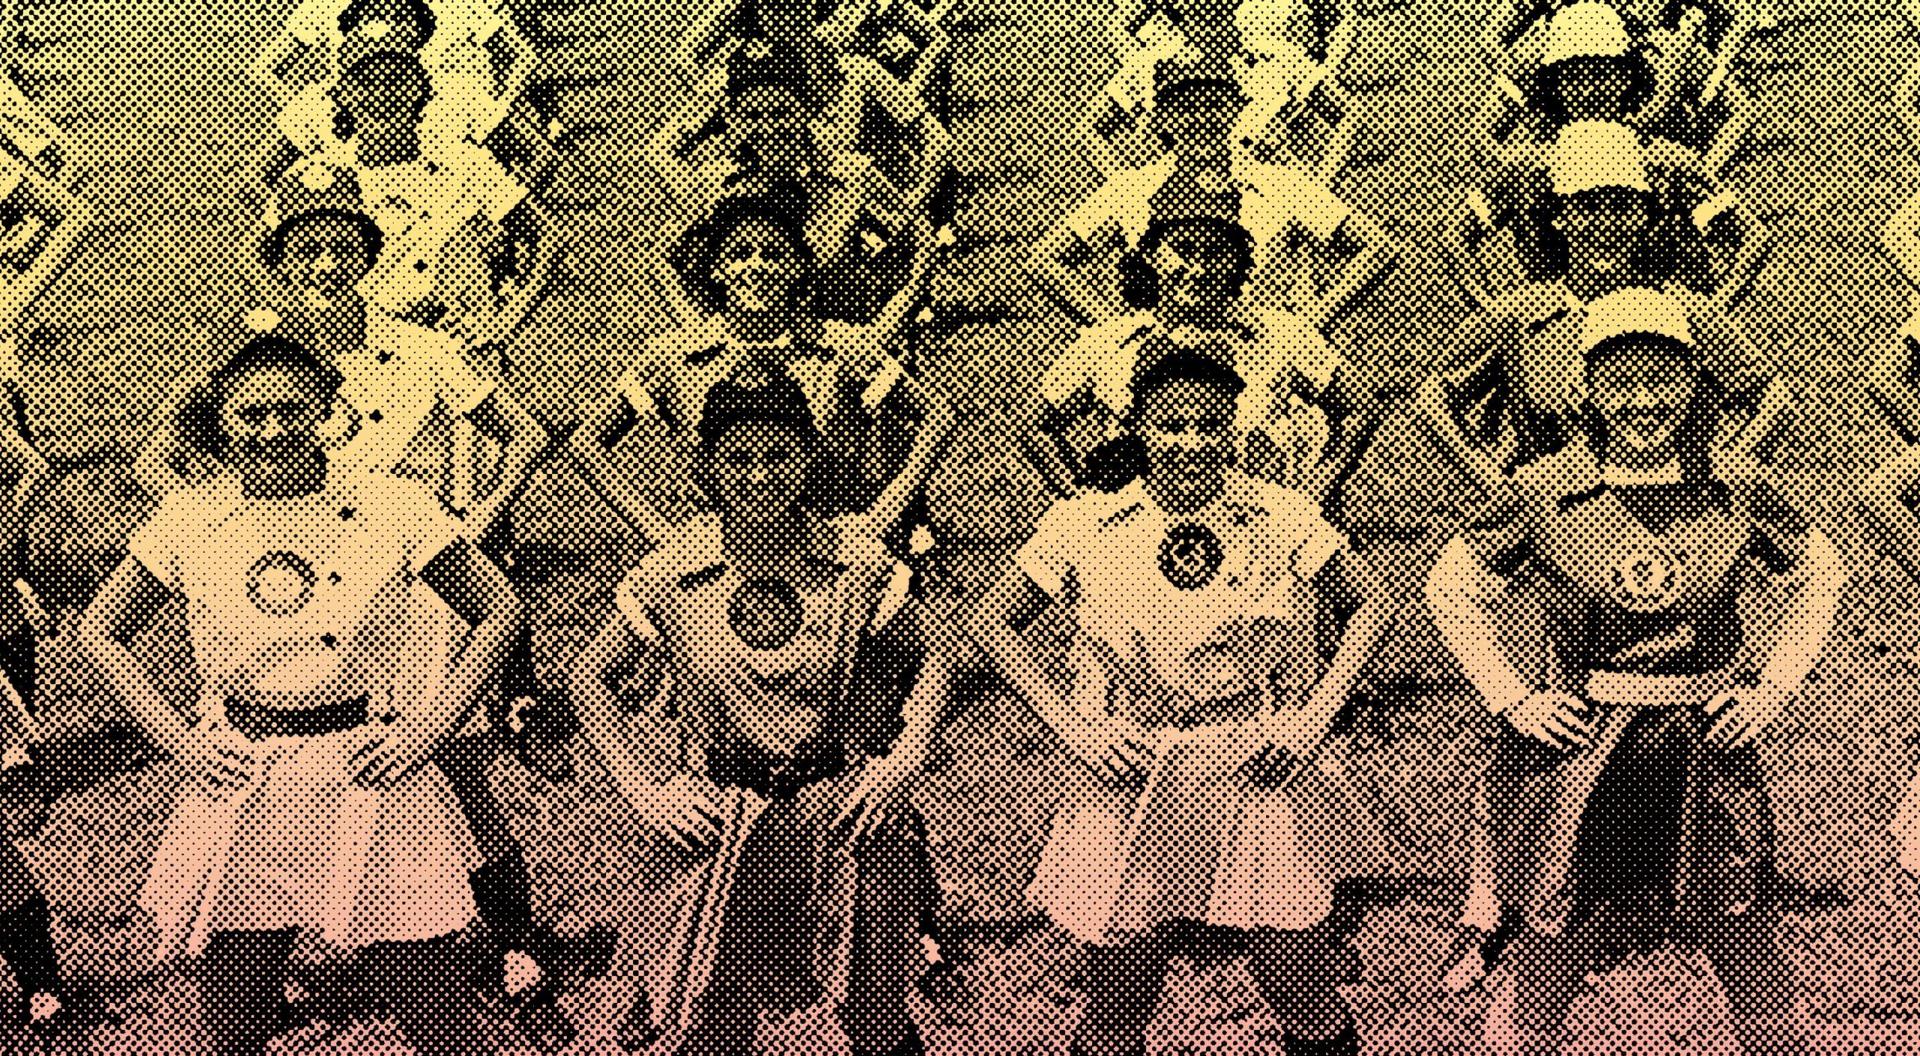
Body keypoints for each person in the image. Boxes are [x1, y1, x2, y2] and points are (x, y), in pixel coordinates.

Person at [130, 158, 593, 1048]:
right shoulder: (245, 359)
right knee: (234, 1008)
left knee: (449, 800)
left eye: (341, 250)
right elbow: (160, 470)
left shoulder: (416, 351)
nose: (323, 268)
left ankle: (499, 942)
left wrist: (472, 518)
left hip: (398, 600)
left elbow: (514, 468)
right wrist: (196, 518)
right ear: (277, 261)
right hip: (259, 652)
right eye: (303, 253)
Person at [1425, 287, 1844, 1056]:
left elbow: (1821, 571)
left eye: (1664, 376)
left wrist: (1775, 687)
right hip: (1584, 743)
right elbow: (1452, 585)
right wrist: (1514, 697)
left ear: (1695, 381)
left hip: (1705, 739)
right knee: (1551, 930)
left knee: (1740, 924)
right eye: (1620, 379)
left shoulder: (1736, 484)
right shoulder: (1547, 489)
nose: (1643, 400)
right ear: (1585, 385)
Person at [78, 335, 521, 1056]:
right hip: (244, 776)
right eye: (251, 415)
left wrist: (428, 729)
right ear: (222, 421)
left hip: (373, 770)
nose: (273, 429)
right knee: (237, 1019)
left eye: (291, 409)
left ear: (325, 406)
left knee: (433, 1011)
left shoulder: (391, 503)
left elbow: (499, 611)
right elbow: (98, 633)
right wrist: (178, 741)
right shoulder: (191, 517)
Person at [971, 344, 1394, 1056]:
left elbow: (1374, 604)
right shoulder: (1083, 522)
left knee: (1301, 986)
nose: (1192, 443)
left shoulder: (1281, 515)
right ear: (1136, 425)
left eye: (1210, 424)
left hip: (1254, 764)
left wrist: (1310, 720)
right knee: (1118, 1000)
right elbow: (988, 623)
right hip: (1131, 771)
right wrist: (1077, 729)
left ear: (1233, 426)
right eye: (1171, 425)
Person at [573, 370, 954, 1056]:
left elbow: (938, 655)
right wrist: (643, 789)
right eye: (738, 459)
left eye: (777, 455)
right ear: (707, 468)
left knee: (875, 1019)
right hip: (719, 814)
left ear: (808, 456)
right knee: (706, 1023)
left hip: (840, 805)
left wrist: (903, 760)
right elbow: (588, 676)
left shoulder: (856, 563)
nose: (759, 476)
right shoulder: (671, 573)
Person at [1419, 118, 1787, 500]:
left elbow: (1771, 395)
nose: (1605, 223)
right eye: (1588, 206)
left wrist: (1736, 459)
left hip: (1675, 519)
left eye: (1622, 205)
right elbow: (1433, 399)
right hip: (1553, 520)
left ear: (1644, 216)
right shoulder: (1519, 315)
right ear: (1560, 218)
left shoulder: (1685, 312)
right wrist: (1492, 481)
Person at [571, 185, 951, 553]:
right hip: (716, 556)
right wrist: (659, 532)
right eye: (740, 253)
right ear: (716, 269)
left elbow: (936, 416)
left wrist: (877, 520)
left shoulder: (840, 346)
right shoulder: (678, 354)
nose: (756, 266)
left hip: (823, 551)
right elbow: (588, 440)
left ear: (799, 266)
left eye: (772, 253)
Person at [1024, 191, 1373, 521]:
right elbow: (1034, 426)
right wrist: (1082, 505)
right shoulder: (1110, 342)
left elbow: (1358, 408)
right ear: (1152, 254)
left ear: (1238, 259)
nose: (1198, 268)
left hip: (1262, 546)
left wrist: (1314, 494)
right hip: (1138, 546)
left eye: (1215, 252)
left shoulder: (1280, 335)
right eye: (1183, 249)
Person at [1030, 55, 1392, 332]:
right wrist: (1111, 326)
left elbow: (1377, 250)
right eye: (1184, 106)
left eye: (1217, 103)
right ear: (1161, 119)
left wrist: (1308, 323)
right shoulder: (1131, 187)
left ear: (1238, 111)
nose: (1202, 116)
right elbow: (1044, 261)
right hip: (1163, 365)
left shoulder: (1283, 185)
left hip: (1261, 360)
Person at [649, 38, 934, 329]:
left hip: (835, 327)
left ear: (806, 112)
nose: (769, 129)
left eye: (781, 113)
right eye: (752, 116)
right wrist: (701, 327)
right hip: (749, 332)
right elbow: (662, 256)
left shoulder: (847, 170)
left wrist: (880, 328)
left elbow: (918, 238)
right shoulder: (718, 180)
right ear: (731, 121)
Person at [316, 49, 545, 344]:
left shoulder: (466, 160)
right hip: (367, 350)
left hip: (462, 344)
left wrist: (507, 319)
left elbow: (543, 236)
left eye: (396, 79)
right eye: (365, 81)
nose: (382, 93)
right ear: (343, 93)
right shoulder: (326, 176)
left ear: (421, 90)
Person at [254, 0, 532, 156]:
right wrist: (312, 119)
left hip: (437, 154)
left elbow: (519, 56)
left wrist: (489, 114)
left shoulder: (459, 8)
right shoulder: (322, 8)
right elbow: (267, 67)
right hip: (353, 157)